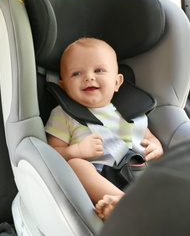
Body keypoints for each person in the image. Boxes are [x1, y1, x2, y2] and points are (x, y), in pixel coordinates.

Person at [45, 37, 163, 220]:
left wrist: (156, 147)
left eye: (99, 70)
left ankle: (127, 207)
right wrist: (76, 150)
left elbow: (150, 138)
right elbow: (51, 153)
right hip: (96, 179)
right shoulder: (63, 114)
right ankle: (121, 205)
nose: (89, 77)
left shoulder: (130, 112)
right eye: (76, 74)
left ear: (117, 82)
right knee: (76, 165)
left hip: (135, 173)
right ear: (63, 85)